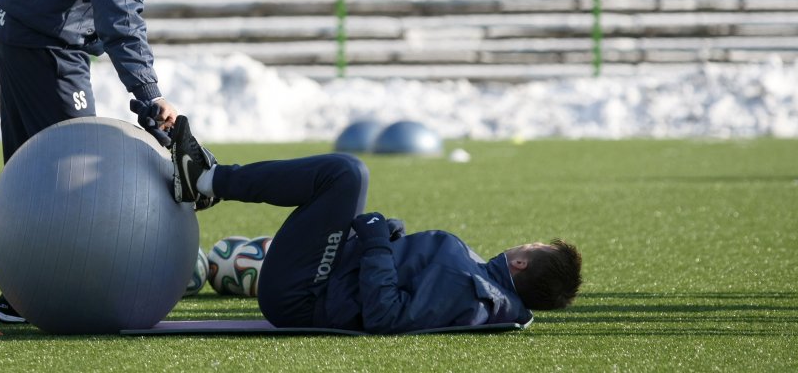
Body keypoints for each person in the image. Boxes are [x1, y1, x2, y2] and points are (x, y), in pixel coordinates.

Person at [0, 0, 222, 323]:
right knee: (75, 172)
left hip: (23, 25)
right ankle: (32, 294)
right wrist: (150, 95)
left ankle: (24, 286)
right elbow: (119, 16)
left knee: (33, 161)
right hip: (46, 39)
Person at [169, 116, 582, 333]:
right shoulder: (479, 282)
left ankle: (207, 181)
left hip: (305, 297)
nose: (524, 244)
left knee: (346, 174)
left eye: (532, 246)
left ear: (522, 265)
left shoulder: (473, 291)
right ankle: (210, 182)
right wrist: (389, 237)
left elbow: (387, 315)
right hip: (325, 281)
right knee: (347, 176)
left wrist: (375, 242)